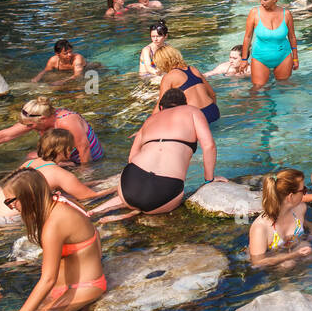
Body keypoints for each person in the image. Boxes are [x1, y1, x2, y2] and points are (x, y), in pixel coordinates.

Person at [0, 168, 106, 311]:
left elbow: (47, 279)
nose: (11, 207)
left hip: (83, 288)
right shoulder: (61, 202)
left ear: (29, 196)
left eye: (11, 201)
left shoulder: (53, 225)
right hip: (68, 286)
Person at [91, 88, 220, 222]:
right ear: (184, 104)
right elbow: (209, 146)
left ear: (161, 107)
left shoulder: (150, 120)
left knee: (136, 195)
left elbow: (132, 157)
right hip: (165, 190)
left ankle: (100, 210)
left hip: (130, 183)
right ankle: (137, 213)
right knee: (151, 202)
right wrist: (209, 180)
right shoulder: (192, 111)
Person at [0, 130, 116, 231]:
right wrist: (116, 188)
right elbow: (89, 196)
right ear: (62, 151)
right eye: (71, 148)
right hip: (6, 220)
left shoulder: (29, 164)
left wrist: (97, 182)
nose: (73, 151)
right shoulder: (59, 174)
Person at [0, 96, 105, 167]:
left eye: (30, 126)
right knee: (30, 158)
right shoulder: (34, 120)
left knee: (34, 164)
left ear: (42, 119)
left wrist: (85, 173)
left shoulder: (66, 121)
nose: (28, 128)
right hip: (65, 155)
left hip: (89, 158)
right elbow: (5, 134)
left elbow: (84, 148)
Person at [248, 169, 312, 267]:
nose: (305, 193)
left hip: (292, 248)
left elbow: (304, 222)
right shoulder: (260, 227)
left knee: (310, 254)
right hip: (275, 269)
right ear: (290, 197)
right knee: (287, 264)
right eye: (303, 190)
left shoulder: (300, 209)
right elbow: (257, 262)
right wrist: (293, 255)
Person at [241, 0, 299, 87]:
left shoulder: (286, 14)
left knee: (283, 87)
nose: (262, 3)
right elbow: (247, 37)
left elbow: (292, 37)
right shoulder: (254, 13)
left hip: (283, 56)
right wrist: (244, 59)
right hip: (260, 58)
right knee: (258, 89)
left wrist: (295, 58)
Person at [154, 44, 220, 124]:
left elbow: (160, 107)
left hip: (196, 117)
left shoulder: (169, 77)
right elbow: (212, 94)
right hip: (213, 110)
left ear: (162, 62)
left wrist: (146, 126)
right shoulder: (193, 69)